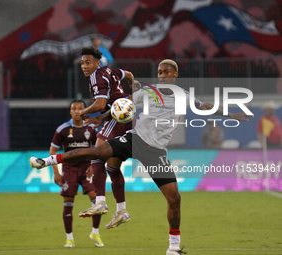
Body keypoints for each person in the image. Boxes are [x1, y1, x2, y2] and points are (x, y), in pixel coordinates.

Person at [30, 59, 253, 255]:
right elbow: (122, 104)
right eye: (160, 72)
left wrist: (232, 114)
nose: (163, 75)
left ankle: (173, 248)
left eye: (167, 72)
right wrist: (103, 117)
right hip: (135, 140)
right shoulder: (147, 92)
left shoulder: (183, 96)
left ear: (175, 74)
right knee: (99, 153)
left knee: (174, 199)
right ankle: (47, 161)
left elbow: (204, 106)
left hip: (156, 152)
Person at [77, 46, 134, 229]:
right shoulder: (111, 70)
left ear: (96, 62)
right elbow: (130, 75)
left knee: (96, 154)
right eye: (82, 63)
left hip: (116, 116)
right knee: (112, 166)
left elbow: (100, 103)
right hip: (127, 115)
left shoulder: (96, 76)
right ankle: (122, 211)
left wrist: (81, 112)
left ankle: (100, 202)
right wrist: (132, 91)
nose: (84, 66)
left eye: (88, 62)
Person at [48, 99, 103, 248]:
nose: (77, 111)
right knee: (68, 204)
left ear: (86, 111)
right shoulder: (63, 129)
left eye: (80, 108)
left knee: (97, 202)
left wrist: (94, 164)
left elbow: (99, 148)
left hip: (87, 169)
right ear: (70, 111)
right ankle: (69, 238)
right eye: (74, 108)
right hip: (69, 170)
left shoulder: (92, 128)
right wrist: (56, 172)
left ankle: (95, 232)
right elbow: (53, 151)